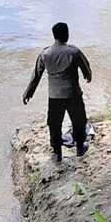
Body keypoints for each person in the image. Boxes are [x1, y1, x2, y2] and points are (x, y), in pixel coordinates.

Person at [23, 22, 93, 163]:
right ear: (67, 34)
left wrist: (28, 93)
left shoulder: (45, 54)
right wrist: (88, 75)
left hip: (54, 97)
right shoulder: (74, 52)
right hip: (73, 94)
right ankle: (80, 148)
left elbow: (36, 76)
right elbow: (86, 68)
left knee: (54, 124)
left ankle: (56, 153)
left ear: (54, 36)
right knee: (79, 122)